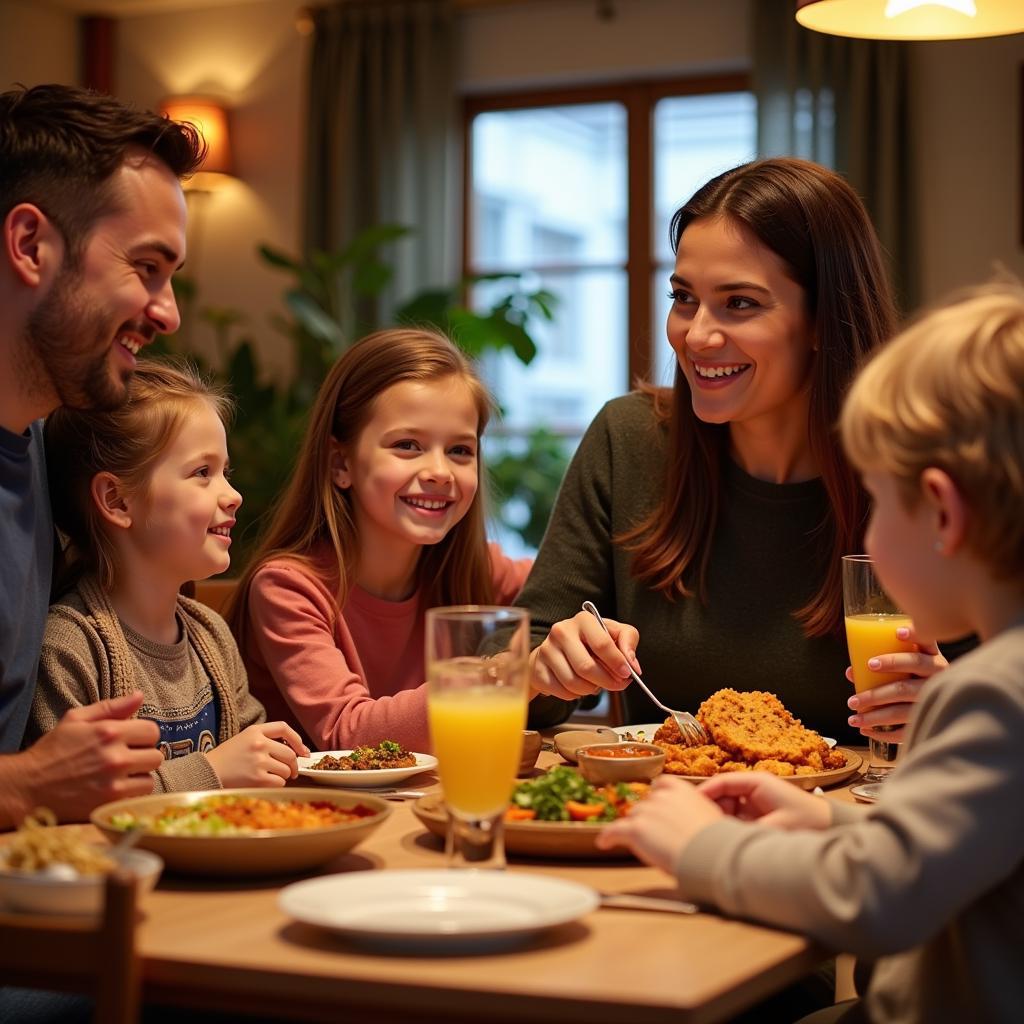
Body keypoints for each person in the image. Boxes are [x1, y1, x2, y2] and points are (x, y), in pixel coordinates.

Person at [597, 281, 1024, 1023]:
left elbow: (877, 894)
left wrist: (702, 849)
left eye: (882, 502)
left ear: (945, 513)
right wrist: (831, 824)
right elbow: (969, 843)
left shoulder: (994, 693)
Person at [522, 157, 945, 743]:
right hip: (661, 822)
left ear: (824, 319)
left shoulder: (923, 472)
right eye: (684, 297)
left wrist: (956, 703)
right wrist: (541, 668)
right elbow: (515, 676)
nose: (696, 336)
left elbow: (1001, 696)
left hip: (853, 827)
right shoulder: (630, 440)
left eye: (740, 303)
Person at [0, 83, 205, 827]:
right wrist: (22, 785)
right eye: (147, 267)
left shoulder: (35, 446)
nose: (168, 312)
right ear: (30, 246)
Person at [227, 328, 532, 752]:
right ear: (340, 464)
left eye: (460, 451)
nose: (440, 472)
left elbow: (570, 590)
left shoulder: (473, 568)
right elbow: (350, 735)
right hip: (316, 813)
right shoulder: (287, 589)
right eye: (408, 445)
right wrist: (517, 672)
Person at [25, 363, 308, 791]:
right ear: (117, 500)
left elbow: (250, 769)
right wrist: (211, 772)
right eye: (202, 473)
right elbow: (73, 801)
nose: (233, 496)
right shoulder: (69, 650)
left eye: (225, 472)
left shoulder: (211, 634)